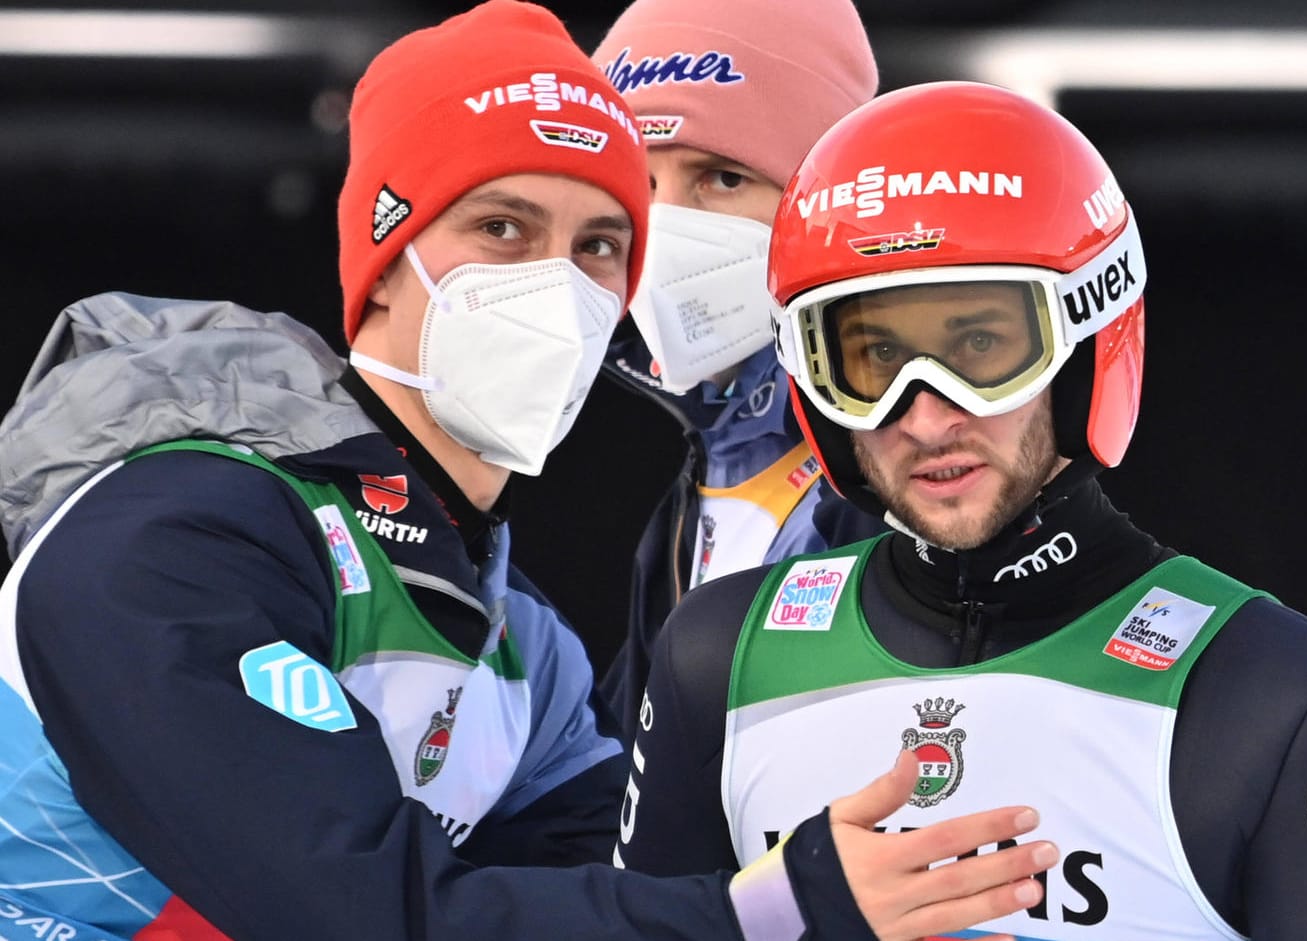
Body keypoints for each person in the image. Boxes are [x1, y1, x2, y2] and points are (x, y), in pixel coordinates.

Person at [0, 6, 1060, 940]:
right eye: (502, 228)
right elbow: (356, 910)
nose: (556, 282)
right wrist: (779, 907)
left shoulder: (518, 645)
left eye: (599, 244)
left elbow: (625, 886)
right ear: (386, 257)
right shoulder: (167, 535)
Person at [613, 81, 1307, 937]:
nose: (924, 415)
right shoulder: (715, 656)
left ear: (1083, 344)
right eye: (874, 355)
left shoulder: (1289, 697)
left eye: (981, 347)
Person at [589, 0, 888, 734]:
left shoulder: (916, 472)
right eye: (639, 185)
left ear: (822, 202)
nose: (664, 230)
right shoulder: (700, 481)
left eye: (722, 179)